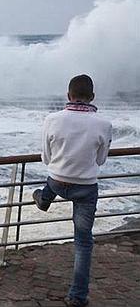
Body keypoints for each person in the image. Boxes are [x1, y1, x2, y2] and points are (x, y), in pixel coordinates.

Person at [32, 74, 112, 307]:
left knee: (51, 184)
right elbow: (101, 160)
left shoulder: (52, 119)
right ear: (93, 97)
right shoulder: (103, 124)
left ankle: (44, 199)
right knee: (83, 242)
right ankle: (77, 297)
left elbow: (46, 157)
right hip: (86, 189)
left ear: (68, 95)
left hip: (57, 182)